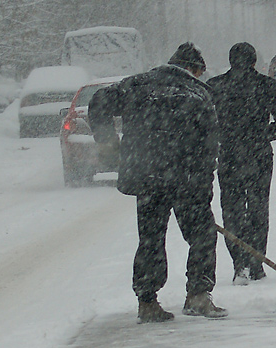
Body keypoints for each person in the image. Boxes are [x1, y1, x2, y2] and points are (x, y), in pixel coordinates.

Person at [89, 42, 228, 322]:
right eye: (199, 72)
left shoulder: (138, 85)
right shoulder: (199, 94)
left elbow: (98, 102)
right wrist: (204, 189)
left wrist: (106, 141)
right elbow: (209, 146)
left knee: (151, 239)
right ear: (193, 69)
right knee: (202, 236)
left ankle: (148, 302)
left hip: (148, 178)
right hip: (186, 180)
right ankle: (198, 296)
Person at [208, 42, 276, 284]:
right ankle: (257, 263)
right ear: (254, 60)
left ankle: (239, 263)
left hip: (229, 157)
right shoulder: (266, 85)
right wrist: (267, 133)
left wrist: (217, 138)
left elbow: (200, 119)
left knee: (233, 210)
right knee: (258, 209)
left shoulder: (216, 86)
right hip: (259, 155)